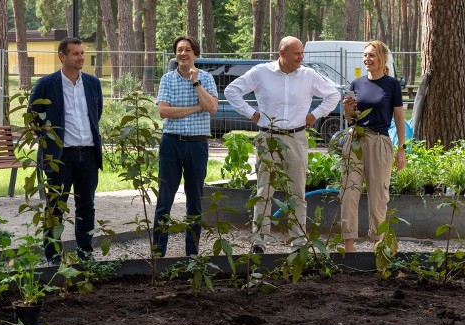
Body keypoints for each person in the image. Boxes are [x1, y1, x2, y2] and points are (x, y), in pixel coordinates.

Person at [224, 36, 340, 254]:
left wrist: (315, 115)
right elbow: (232, 91)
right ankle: (259, 242)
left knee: (297, 192)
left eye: (302, 53)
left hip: (297, 138)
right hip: (268, 137)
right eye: (296, 53)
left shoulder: (308, 75)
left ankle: (298, 243)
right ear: (282, 53)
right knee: (264, 190)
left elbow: (333, 94)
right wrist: (252, 114)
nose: (301, 57)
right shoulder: (261, 73)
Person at [29, 37, 104, 265]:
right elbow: (33, 117)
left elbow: (96, 113)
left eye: (82, 53)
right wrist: (48, 142)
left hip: (88, 154)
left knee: (86, 206)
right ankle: (53, 255)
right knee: (55, 207)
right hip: (60, 158)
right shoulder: (46, 84)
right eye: (76, 53)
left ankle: (85, 253)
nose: (81, 57)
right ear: (62, 56)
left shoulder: (92, 83)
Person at [153, 35, 218, 257]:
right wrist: (193, 108)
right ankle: (158, 252)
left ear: (195, 54)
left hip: (197, 145)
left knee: (195, 201)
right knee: (164, 200)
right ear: (175, 54)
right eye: (179, 50)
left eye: (187, 50)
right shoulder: (167, 79)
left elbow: (211, 107)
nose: (182, 53)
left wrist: (195, 82)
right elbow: (163, 111)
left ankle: (192, 253)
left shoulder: (207, 78)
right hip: (171, 143)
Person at [340, 40, 406, 252]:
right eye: (365, 55)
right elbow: (350, 118)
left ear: (382, 59)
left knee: (378, 197)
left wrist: (401, 150)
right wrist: (346, 109)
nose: (367, 59)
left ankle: (378, 246)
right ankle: (349, 247)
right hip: (355, 140)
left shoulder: (392, 84)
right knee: (349, 192)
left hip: (380, 142)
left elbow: (399, 118)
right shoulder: (356, 83)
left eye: (372, 55)